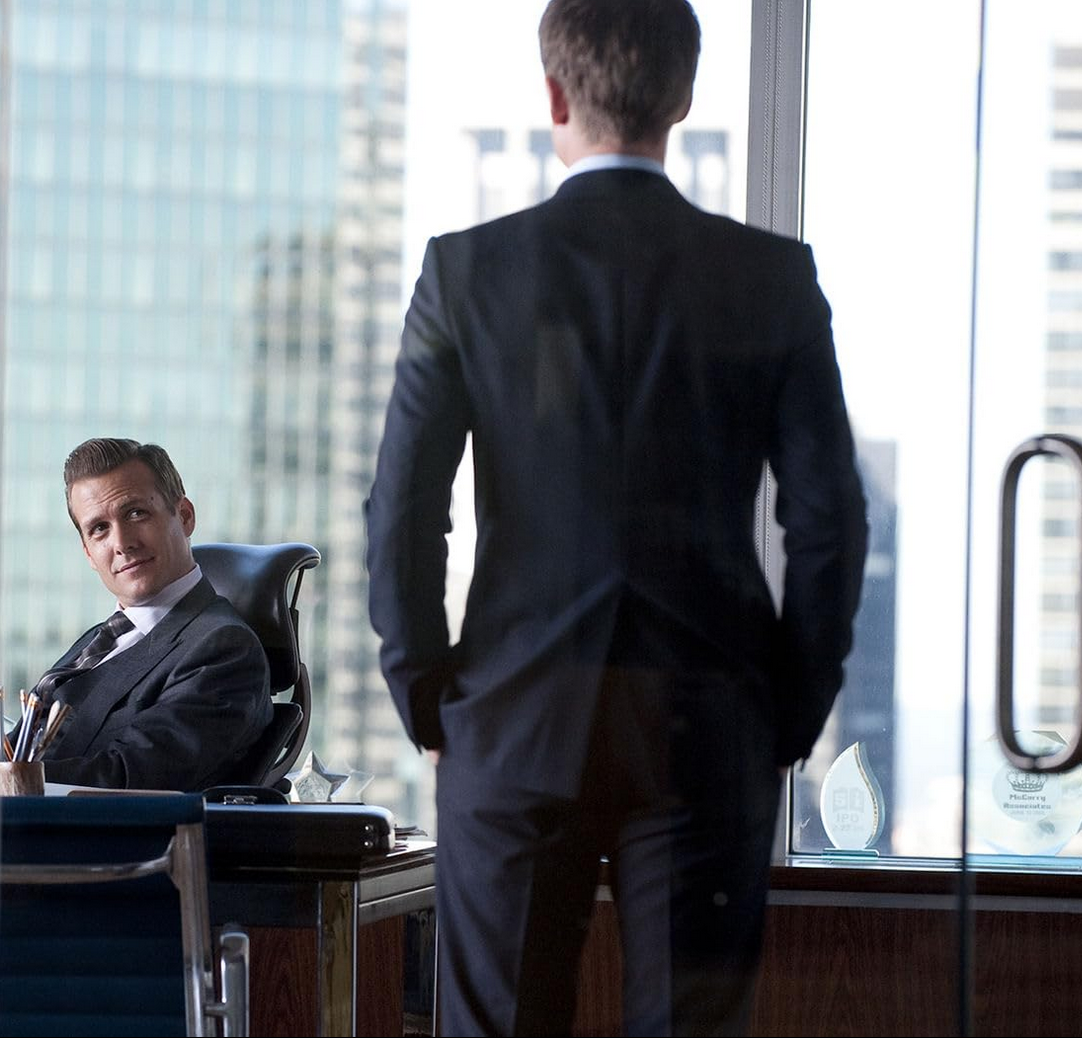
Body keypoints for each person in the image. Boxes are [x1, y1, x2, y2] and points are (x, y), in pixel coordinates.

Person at [364, 2, 867, 1034]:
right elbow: (828, 523)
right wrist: (785, 716)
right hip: (707, 721)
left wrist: (431, 700)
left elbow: (405, 508)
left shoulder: (465, 273)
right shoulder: (772, 279)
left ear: (555, 95)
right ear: (683, 98)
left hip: (512, 715)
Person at [0, 437, 274, 792]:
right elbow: (11, 761)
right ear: (89, 552)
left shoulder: (222, 648)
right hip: (11, 843)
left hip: (86, 873)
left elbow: (125, 779)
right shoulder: (100, 640)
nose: (121, 543)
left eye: (136, 513)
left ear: (183, 516)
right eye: (99, 529)